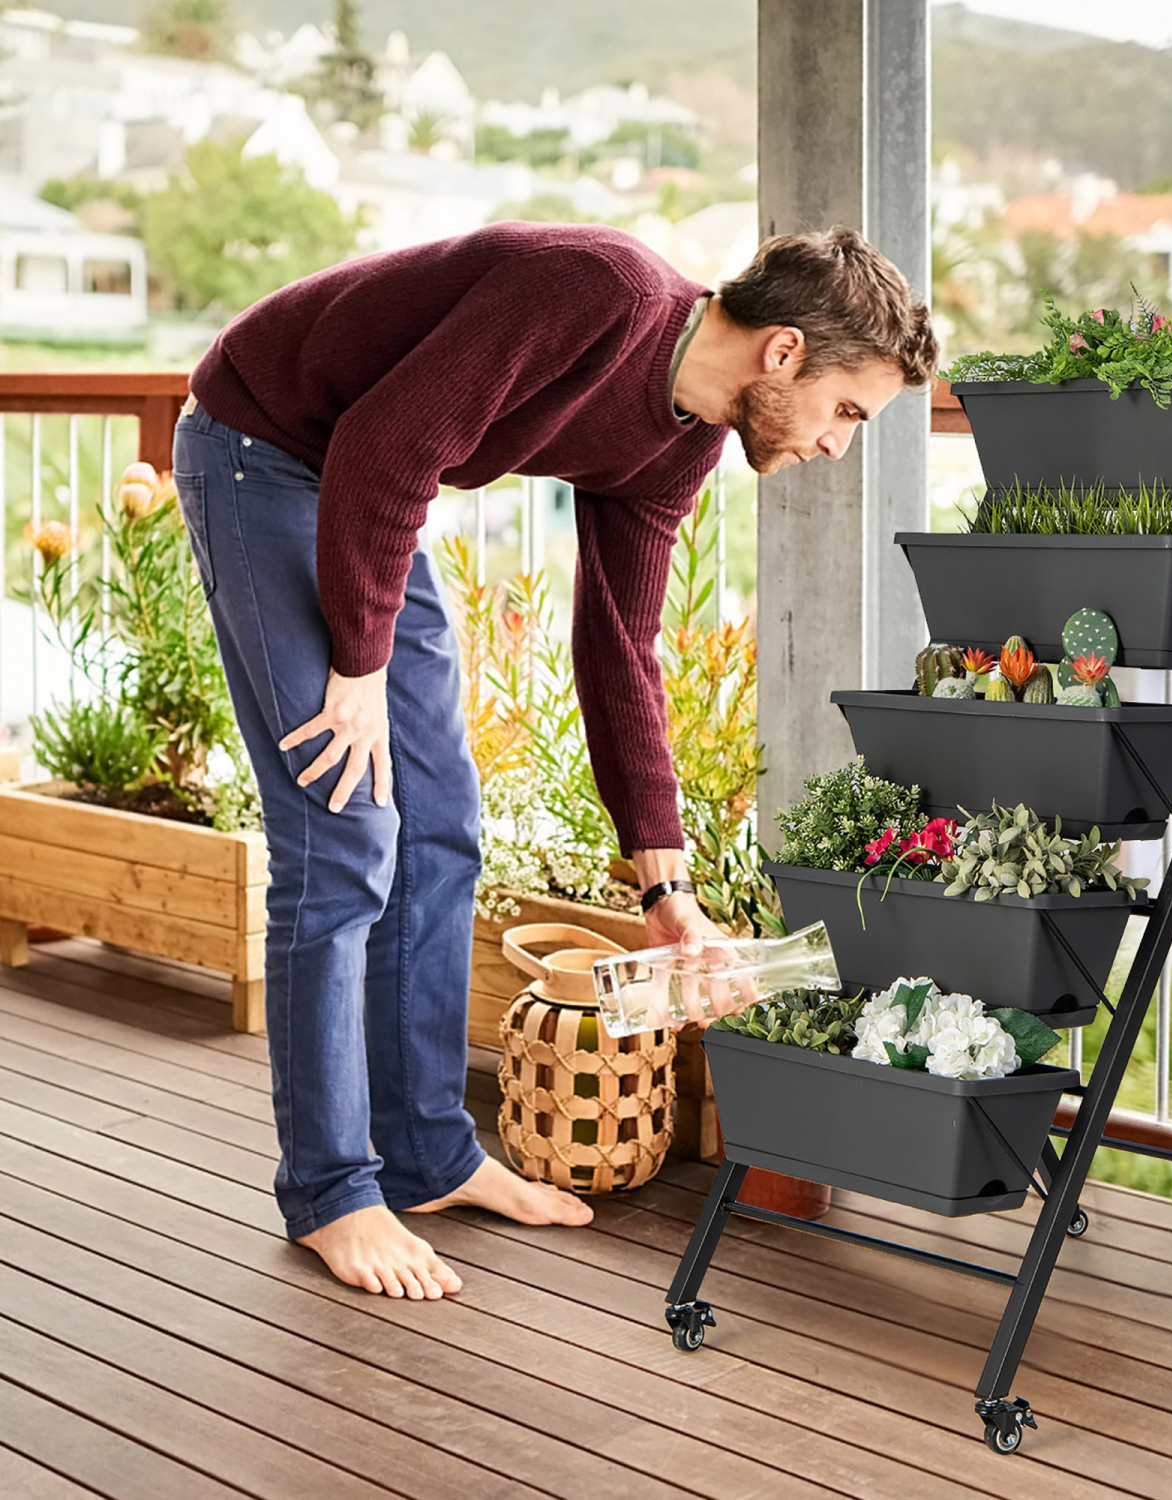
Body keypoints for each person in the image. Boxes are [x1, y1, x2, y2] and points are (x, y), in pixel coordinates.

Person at [173, 221, 937, 1301]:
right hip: (264, 446)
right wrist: (358, 668)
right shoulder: (596, 292)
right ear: (783, 353)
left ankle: (427, 1156)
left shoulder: (680, 443)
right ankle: (331, 1191)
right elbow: (387, 443)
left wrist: (665, 889)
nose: (835, 445)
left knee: (441, 828)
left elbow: (620, 649)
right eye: (847, 410)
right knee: (342, 832)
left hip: (365, 486)